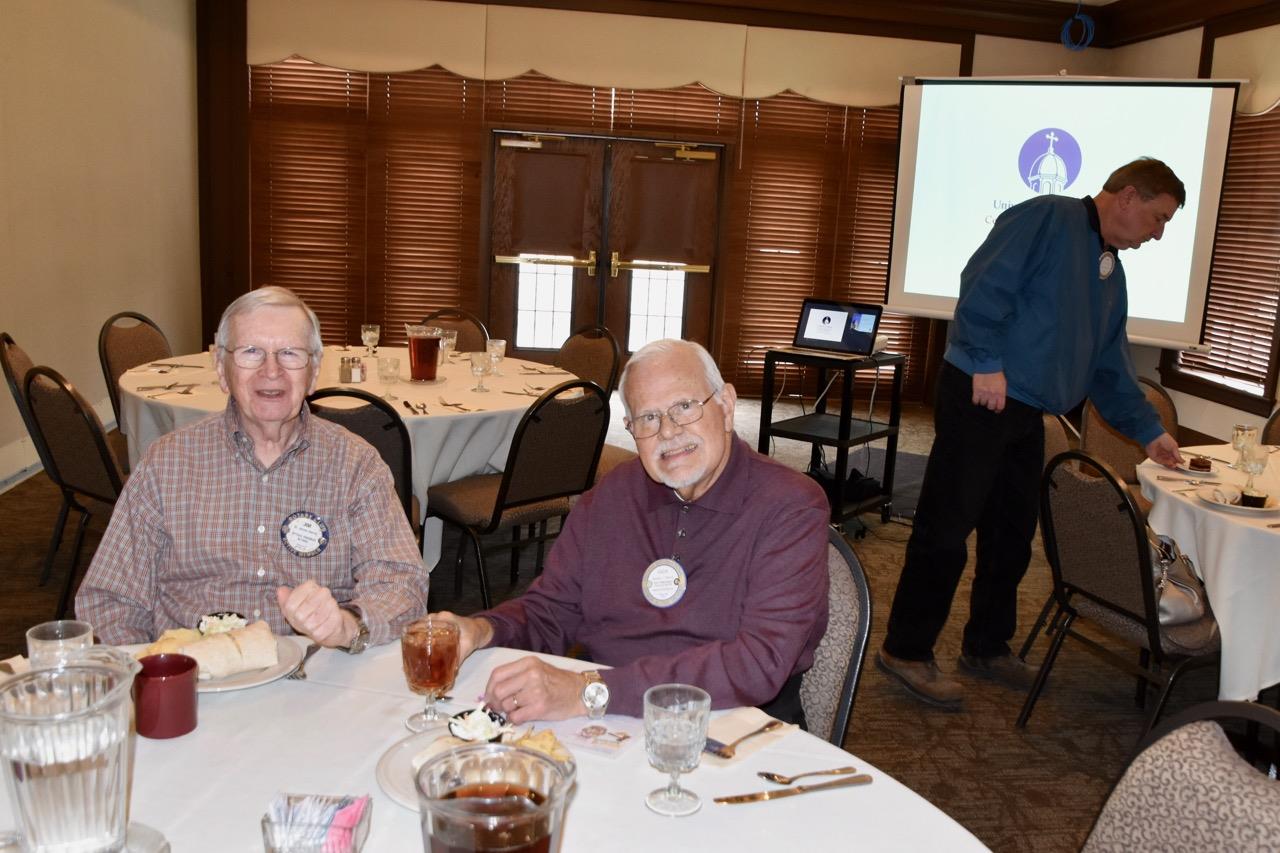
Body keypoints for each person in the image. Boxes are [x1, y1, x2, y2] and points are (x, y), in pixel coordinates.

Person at [877, 157, 1185, 710]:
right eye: (1159, 218)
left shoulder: (1111, 273)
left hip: (1027, 413)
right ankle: (905, 650)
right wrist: (985, 361)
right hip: (983, 393)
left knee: (1012, 536)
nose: (1158, 234)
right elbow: (984, 284)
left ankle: (986, 646)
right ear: (1128, 196)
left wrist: (1150, 433)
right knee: (946, 529)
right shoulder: (1048, 215)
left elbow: (1109, 367)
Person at [433, 339, 830, 724]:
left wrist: (590, 691)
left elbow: (757, 663)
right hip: (606, 718)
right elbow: (552, 611)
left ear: (725, 405)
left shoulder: (789, 505)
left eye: (684, 406)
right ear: (629, 428)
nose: (668, 431)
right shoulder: (611, 496)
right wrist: (483, 629)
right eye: (648, 418)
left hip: (735, 722)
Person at [77, 287, 428, 650]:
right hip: (196, 670)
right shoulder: (167, 463)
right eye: (251, 352)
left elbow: (401, 584)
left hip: (315, 669)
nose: (271, 371)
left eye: (289, 353)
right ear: (221, 369)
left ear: (313, 373)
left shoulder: (355, 464)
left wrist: (347, 624)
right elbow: (109, 600)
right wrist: (151, 674)